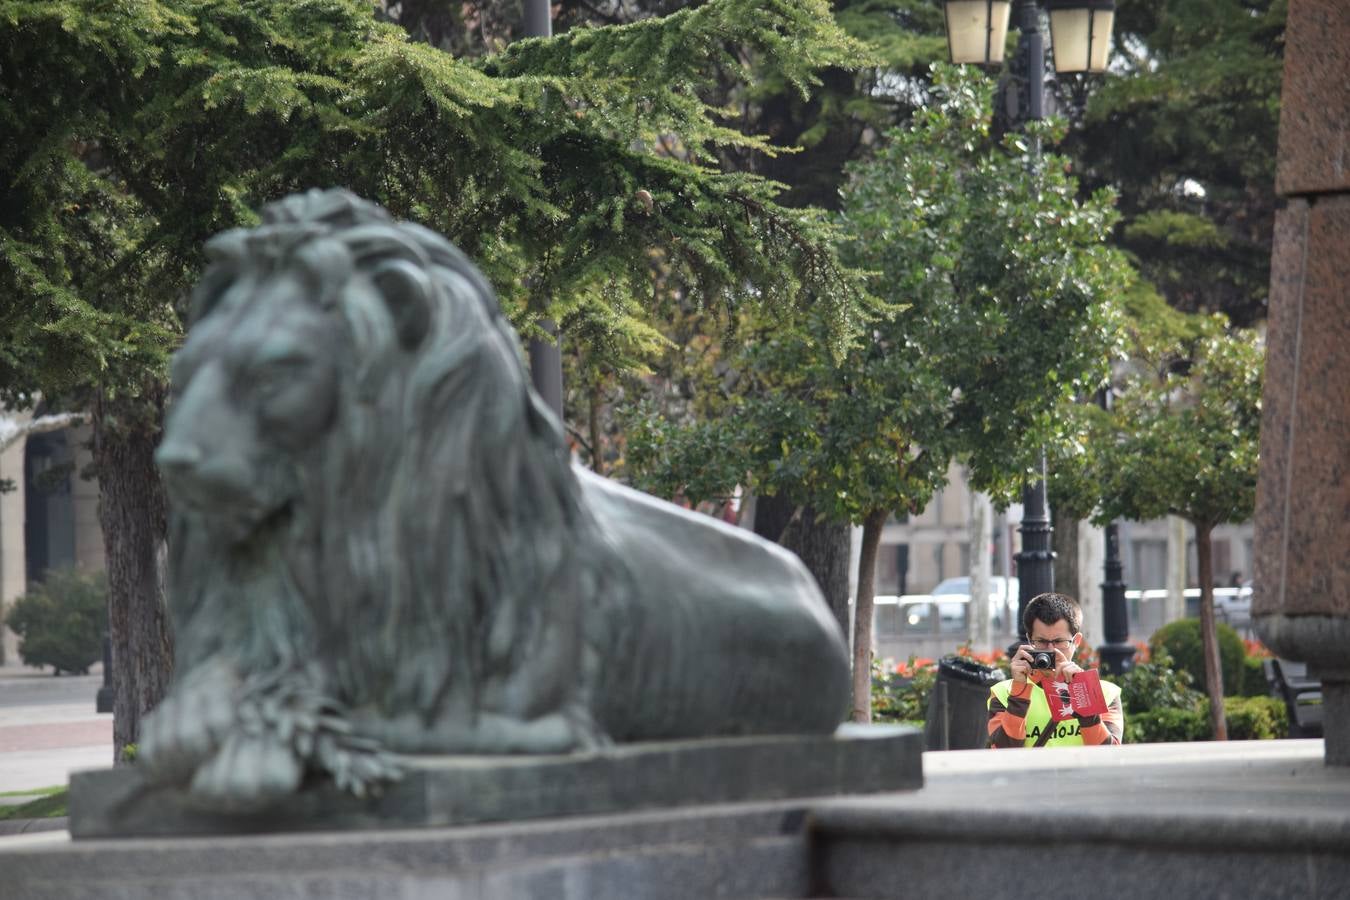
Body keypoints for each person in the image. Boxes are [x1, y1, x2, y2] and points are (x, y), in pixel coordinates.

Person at [987, 592, 1123, 748]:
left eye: (1059, 641)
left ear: (1076, 641)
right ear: (1030, 640)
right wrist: (1019, 691)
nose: (1051, 650)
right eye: (1041, 641)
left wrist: (1082, 692)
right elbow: (1004, 753)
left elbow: (1109, 754)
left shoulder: (1106, 693)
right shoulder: (1003, 693)